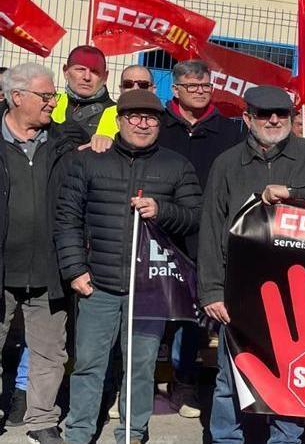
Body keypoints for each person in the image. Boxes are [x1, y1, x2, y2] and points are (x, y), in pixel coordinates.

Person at [198, 85, 305, 444]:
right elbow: (210, 229)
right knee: (230, 378)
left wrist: (293, 193)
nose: (273, 120)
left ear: (292, 117)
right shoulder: (226, 165)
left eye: (281, 113)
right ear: (247, 118)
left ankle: (285, 439)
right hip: (241, 293)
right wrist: (211, 290)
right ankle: (226, 440)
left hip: (300, 293)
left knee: (291, 375)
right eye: (264, 113)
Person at [55, 90, 202, 444]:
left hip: (148, 289)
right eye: (134, 116)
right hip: (98, 283)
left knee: (140, 367)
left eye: (150, 118)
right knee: (89, 364)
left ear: (159, 124)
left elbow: (196, 216)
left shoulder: (176, 165)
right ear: (119, 120)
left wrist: (162, 210)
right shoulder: (90, 160)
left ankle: (133, 432)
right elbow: (67, 218)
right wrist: (76, 270)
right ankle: (80, 431)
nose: (142, 123)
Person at [0, 64, 89, 444]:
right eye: (46, 96)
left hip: (49, 267)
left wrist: (100, 143)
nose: (54, 102)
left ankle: (42, 418)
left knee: (50, 351)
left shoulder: (64, 141)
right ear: (17, 97)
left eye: (53, 96)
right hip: (2, 268)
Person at [155, 59, 242, 417]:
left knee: (194, 315)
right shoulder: (157, 125)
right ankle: (136, 385)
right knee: (154, 313)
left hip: (204, 236)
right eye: (193, 86)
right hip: (158, 232)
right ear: (175, 89)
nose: (201, 92)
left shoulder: (229, 132)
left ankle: (186, 382)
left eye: (206, 86)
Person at [52, 45, 118, 139]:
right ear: (65, 71)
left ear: (105, 77)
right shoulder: (50, 103)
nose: (87, 77)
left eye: (94, 71)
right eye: (80, 70)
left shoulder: (118, 113)